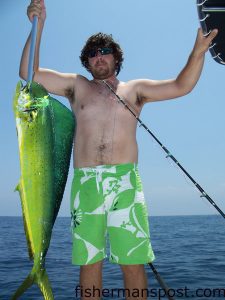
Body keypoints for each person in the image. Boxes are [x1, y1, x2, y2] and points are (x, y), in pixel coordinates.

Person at [20, 1, 217, 299]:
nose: (98, 57)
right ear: (86, 62)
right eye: (92, 54)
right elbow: (28, 74)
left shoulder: (134, 89)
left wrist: (197, 53)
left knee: (133, 260)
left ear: (116, 57)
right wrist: (39, 23)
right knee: (89, 261)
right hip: (85, 184)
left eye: (104, 51)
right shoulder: (77, 86)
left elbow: (181, 86)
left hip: (125, 182)